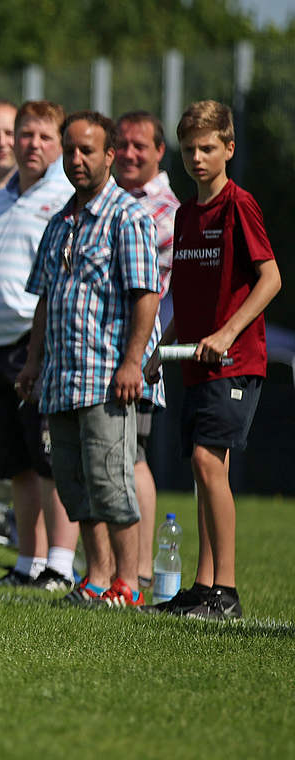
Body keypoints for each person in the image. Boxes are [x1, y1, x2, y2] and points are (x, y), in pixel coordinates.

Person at [143, 100, 281, 619]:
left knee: (206, 461)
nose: (197, 158)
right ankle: (203, 589)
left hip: (236, 360)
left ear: (228, 147)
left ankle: (227, 591)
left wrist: (225, 333)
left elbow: (270, 279)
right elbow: (190, 295)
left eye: (207, 148)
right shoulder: (185, 214)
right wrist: (160, 349)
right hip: (197, 361)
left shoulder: (238, 205)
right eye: (188, 149)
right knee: (205, 470)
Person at [17, 111, 161, 609]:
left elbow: (146, 295)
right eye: (71, 150)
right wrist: (33, 363)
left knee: (110, 481)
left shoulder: (128, 216)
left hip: (107, 377)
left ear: (110, 155)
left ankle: (128, 583)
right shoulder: (60, 223)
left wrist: (132, 362)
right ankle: (96, 579)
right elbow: (43, 300)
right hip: (61, 378)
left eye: (87, 151)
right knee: (76, 486)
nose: (77, 160)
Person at [0, 100, 77, 590]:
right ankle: (29, 563)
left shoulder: (66, 195)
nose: (29, 144)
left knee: (51, 461)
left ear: (59, 144)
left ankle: (61, 564)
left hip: (40, 342)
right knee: (19, 463)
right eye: (25, 135)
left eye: (41, 137)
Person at [113, 110, 181, 591]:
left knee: (131, 455)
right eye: (123, 144)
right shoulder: (113, 201)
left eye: (141, 145)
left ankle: (136, 571)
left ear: (160, 151)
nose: (130, 153)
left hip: (134, 350)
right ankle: (113, 571)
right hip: (96, 350)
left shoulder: (165, 211)